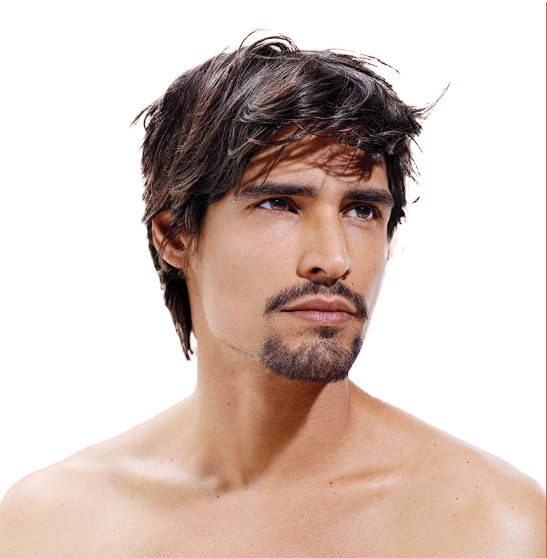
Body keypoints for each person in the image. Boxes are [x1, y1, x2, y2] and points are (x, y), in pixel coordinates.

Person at [1, 27, 544, 557]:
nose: (333, 259)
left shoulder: (494, 526)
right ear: (175, 236)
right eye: (280, 204)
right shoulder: (51, 526)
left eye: (361, 210)